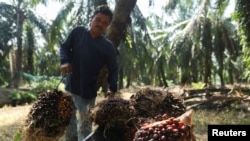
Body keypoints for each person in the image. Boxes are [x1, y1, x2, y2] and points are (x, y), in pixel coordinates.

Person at [59, 5, 118, 141]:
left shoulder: (107, 47)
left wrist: (112, 88)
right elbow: (64, 47)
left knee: (85, 129)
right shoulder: (77, 32)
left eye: (105, 23)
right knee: (69, 124)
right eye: (98, 20)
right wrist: (65, 61)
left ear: (108, 26)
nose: (100, 24)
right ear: (91, 18)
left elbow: (113, 69)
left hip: (88, 93)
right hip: (70, 88)